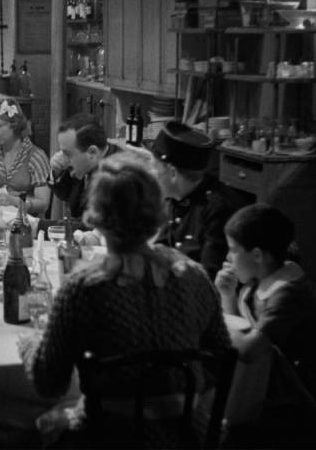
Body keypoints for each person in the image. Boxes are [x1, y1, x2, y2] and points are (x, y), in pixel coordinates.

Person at [19, 152, 231, 448]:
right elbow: (219, 357)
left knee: (24, 427)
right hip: (187, 434)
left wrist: (32, 343)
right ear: (159, 211)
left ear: (96, 216)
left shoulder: (84, 286)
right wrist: (170, 392)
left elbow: (49, 382)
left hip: (107, 434)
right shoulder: (194, 276)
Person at [216, 203, 316, 441]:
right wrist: (227, 296)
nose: (228, 258)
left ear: (258, 255)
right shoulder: (259, 280)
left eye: (233, 250)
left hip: (296, 403)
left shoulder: (287, 294)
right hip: (267, 385)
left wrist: (213, 331)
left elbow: (248, 350)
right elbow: (244, 330)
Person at [152, 121, 246, 280]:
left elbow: (209, 277)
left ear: (173, 173)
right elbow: (160, 249)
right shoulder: (174, 198)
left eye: (155, 167)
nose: (152, 173)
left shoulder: (218, 209)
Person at [50, 113, 126, 219]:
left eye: (67, 153)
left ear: (92, 152)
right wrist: (56, 172)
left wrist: (38, 224)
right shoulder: (89, 161)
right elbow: (68, 197)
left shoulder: (117, 179)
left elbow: (92, 229)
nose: (62, 159)